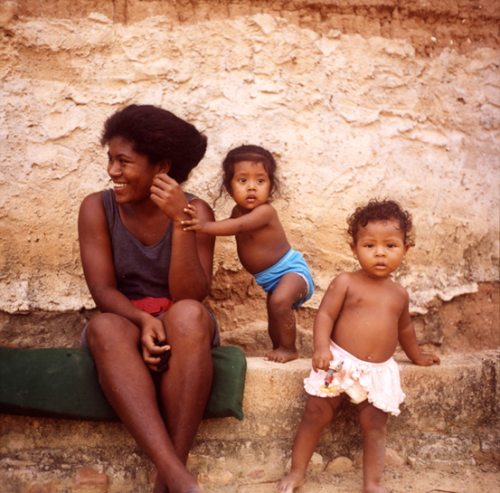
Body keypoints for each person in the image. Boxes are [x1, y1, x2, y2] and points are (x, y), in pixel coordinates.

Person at [78, 104, 218, 493]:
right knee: (103, 327)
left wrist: (180, 222)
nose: (112, 172)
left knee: (189, 314)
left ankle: (167, 479)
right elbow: (103, 291)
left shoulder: (197, 211)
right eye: (110, 159)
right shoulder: (97, 208)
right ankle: (176, 477)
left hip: (182, 325)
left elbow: (189, 294)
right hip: (124, 319)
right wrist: (141, 321)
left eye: (124, 162)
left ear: (161, 168)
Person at [276, 199, 441, 493]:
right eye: (369, 246)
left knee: (375, 424)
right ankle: (297, 472)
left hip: (377, 371)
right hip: (339, 363)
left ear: (405, 249)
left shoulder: (399, 294)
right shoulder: (346, 282)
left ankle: (372, 484)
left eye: (390, 246)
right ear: (354, 249)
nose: (380, 252)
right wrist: (321, 348)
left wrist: (417, 355)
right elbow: (325, 314)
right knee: (316, 413)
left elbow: (404, 328)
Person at [182, 145, 314, 363]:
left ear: (271, 186)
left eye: (260, 181)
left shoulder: (265, 212)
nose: (252, 187)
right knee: (274, 315)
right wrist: (206, 225)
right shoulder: (237, 212)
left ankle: (290, 348)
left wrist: (204, 226)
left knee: (280, 302)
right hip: (271, 280)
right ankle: (278, 347)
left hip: (292, 272)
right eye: (243, 181)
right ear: (229, 186)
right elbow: (232, 222)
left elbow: (239, 226)